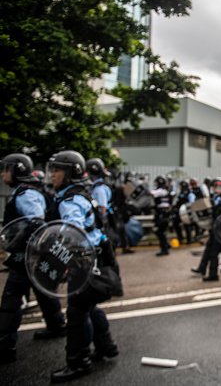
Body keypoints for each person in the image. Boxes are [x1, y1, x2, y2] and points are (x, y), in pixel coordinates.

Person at [46, 150, 118, 382]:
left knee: (77, 311)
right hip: (94, 255)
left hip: (83, 259)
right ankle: (107, 346)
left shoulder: (70, 200)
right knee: (89, 305)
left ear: (69, 173)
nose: (52, 175)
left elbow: (72, 235)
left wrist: (66, 260)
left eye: (57, 170)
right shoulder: (79, 194)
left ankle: (78, 362)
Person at [0, 153, 66, 364]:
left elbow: (36, 223)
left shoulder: (26, 194)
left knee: (11, 300)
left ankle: (5, 346)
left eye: (6, 169)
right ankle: (56, 326)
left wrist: (17, 242)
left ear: (17, 170)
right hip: (33, 256)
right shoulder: (26, 191)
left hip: (27, 256)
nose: (3, 173)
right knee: (43, 290)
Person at [192, 178, 221, 281]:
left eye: (219, 187)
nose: (216, 189)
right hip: (214, 228)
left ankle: (213, 275)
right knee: (211, 248)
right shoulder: (216, 197)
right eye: (215, 187)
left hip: (220, 230)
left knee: (213, 252)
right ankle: (203, 268)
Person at [150, 175, 172, 256]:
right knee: (161, 232)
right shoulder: (166, 191)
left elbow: (151, 193)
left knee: (159, 232)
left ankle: (164, 249)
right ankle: (166, 245)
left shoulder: (160, 191)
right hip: (164, 214)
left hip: (161, 215)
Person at [172, 180, 196, 245]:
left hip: (186, 212)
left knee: (187, 225)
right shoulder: (179, 193)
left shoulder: (190, 194)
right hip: (179, 212)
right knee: (176, 224)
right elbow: (176, 202)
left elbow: (192, 203)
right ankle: (180, 238)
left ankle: (189, 239)